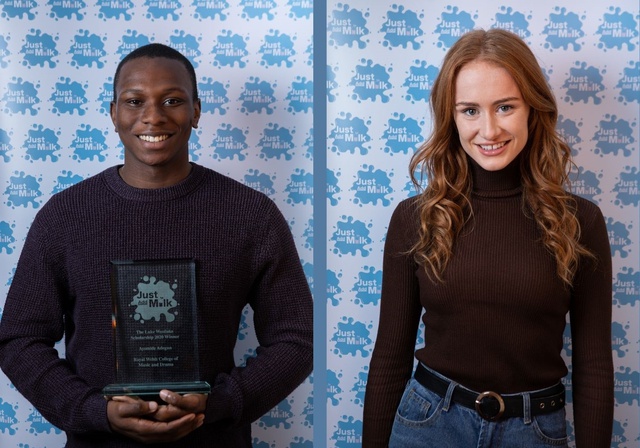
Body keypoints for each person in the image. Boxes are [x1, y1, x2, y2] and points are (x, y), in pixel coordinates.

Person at [0, 43, 313, 447]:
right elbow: (20, 339)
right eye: (134, 101)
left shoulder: (250, 214)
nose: (153, 115)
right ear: (113, 114)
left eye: (173, 100)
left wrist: (217, 404)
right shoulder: (65, 216)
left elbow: (297, 338)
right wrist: (94, 410)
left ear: (196, 111)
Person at [362, 29, 613, 448]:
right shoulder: (415, 218)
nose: (489, 129)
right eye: (470, 111)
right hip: (427, 424)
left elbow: (595, 367)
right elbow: (389, 356)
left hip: (534, 431)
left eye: (505, 107)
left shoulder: (581, 221)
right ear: (451, 117)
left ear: (533, 109)